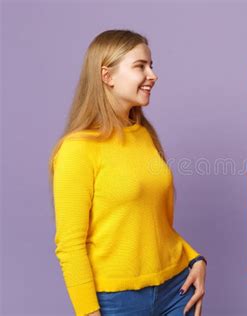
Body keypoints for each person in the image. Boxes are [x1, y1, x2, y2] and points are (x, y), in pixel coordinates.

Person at [49, 30, 206, 316]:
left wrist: (194, 258)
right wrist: (88, 312)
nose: (153, 75)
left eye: (151, 65)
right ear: (107, 76)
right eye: (140, 66)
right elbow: (70, 245)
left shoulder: (144, 135)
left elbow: (153, 220)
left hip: (176, 289)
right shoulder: (77, 149)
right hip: (117, 301)